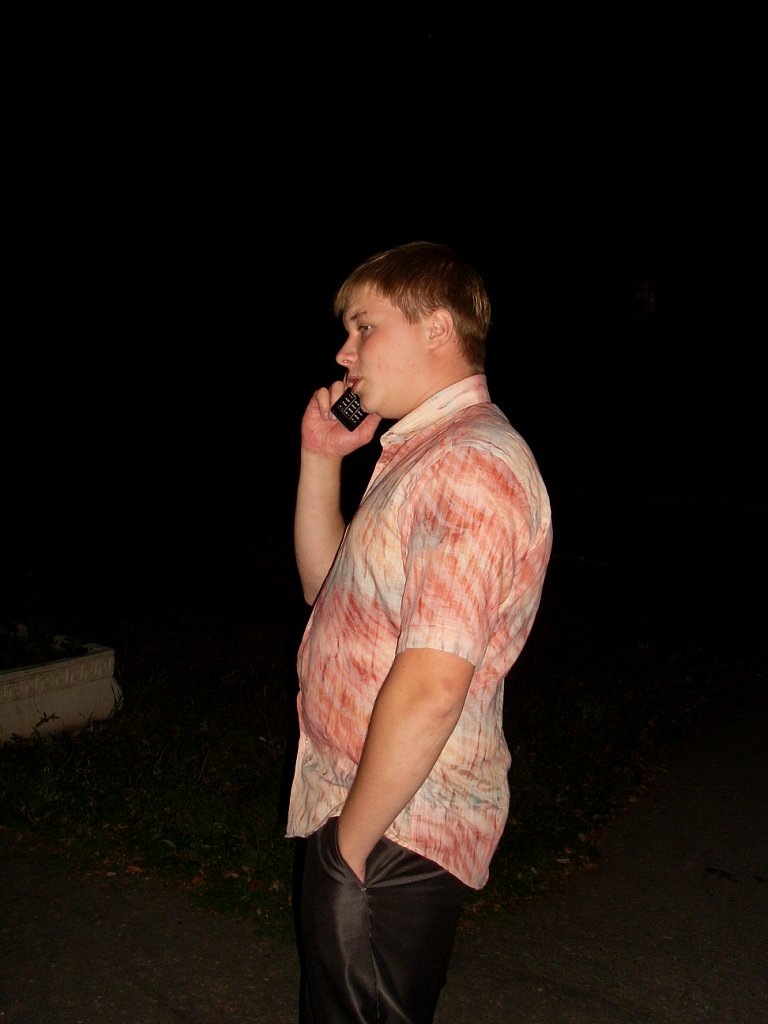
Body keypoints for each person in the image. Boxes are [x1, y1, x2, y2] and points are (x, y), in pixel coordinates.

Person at [286, 240, 553, 1023]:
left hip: (396, 827)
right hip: (364, 811)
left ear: (437, 328)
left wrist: (349, 849)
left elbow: (435, 684)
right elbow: (327, 589)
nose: (345, 352)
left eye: (365, 327)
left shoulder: (469, 465)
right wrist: (319, 459)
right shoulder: (425, 453)